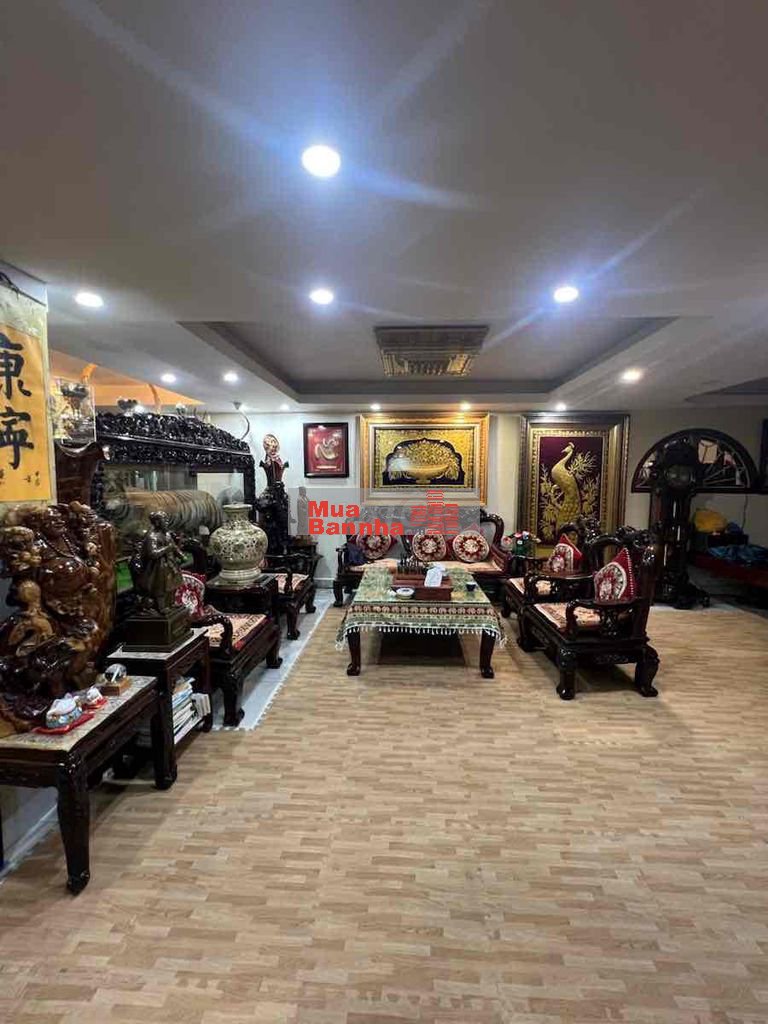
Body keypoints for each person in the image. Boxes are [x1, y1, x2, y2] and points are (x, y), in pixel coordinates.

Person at [129, 510, 185, 614]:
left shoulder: (167, 534)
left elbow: (174, 547)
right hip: (159, 567)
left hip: (171, 564)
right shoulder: (152, 537)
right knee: (161, 587)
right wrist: (167, 548)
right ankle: (162, 607)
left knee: (173, 584)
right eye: (164, 520)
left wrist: (181, 555)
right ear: (157, 522)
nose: (167, 522)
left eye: (167, 520)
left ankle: (171, 602)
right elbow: (152, 553)